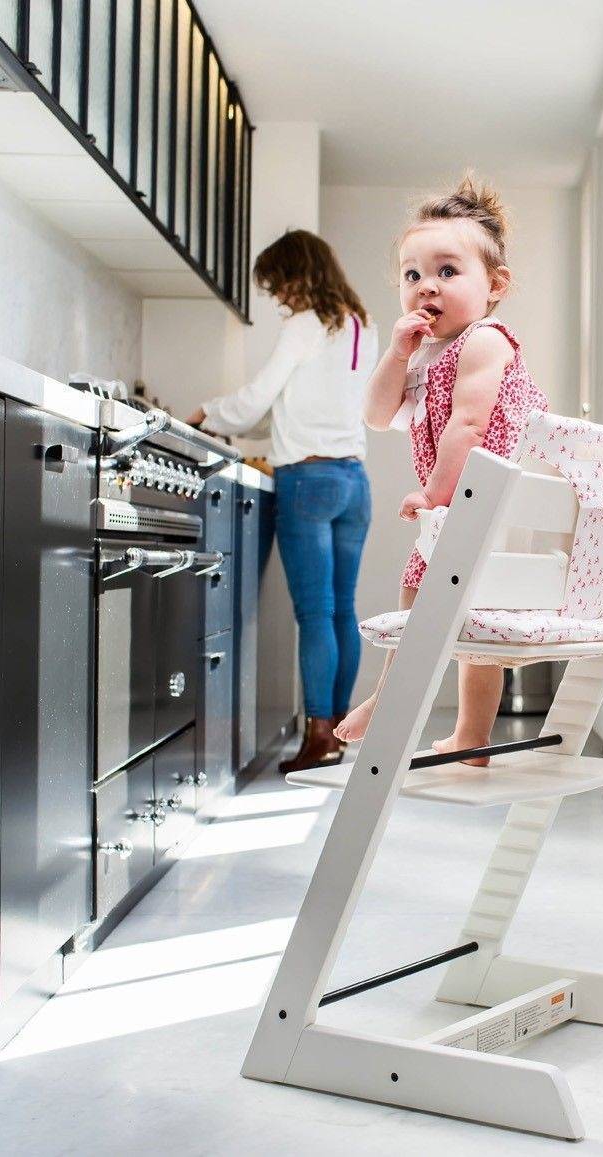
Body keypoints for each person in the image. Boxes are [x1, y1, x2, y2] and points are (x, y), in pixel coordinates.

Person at [333, 174, 549, 765]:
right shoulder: (427, 355)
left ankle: (401, 702)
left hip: (484, 507)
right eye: (412, 274)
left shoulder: (485, 341)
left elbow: (469, 427)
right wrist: (397, 353)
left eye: (447, 271)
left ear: (495, 285)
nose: (426, 285)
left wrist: (433, 495)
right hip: (462, 511)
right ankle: (468, 736)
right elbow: (376, 415)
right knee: (446, 611)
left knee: (458, 618)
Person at [190, 230, 378, 773]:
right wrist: (237, 425)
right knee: (342, 608)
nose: (280, 299)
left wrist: (205, 413)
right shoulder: (360, 326)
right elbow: (295, 408)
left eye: (278, 286)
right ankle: (337, 732)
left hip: (308, 482)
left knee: (315, 612)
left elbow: (256, 400)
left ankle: (318, 738)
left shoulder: (304, 325)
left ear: (298, 275)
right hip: (353, 482)